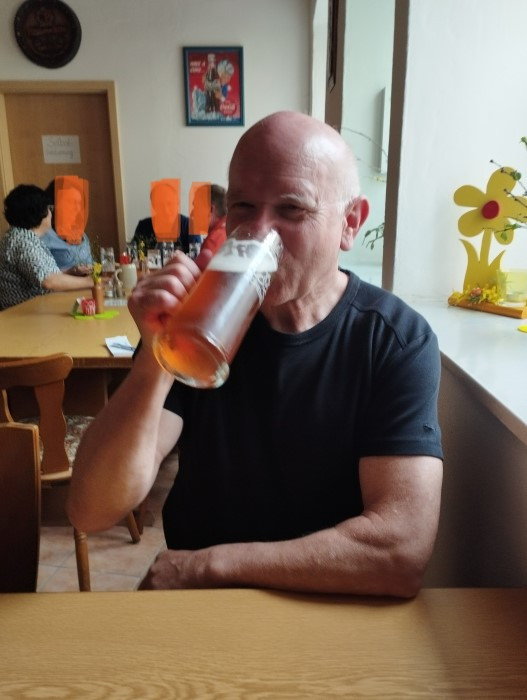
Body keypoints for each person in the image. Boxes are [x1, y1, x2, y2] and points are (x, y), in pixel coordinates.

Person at [68, 111, 443, 598]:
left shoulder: (393, 339)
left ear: (349, 223)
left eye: (292, 209)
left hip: (325, 602)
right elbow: (93, 508)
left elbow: (400, 551)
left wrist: (211, 565)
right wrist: (157, 358)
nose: (260, 232)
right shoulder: (196, 322)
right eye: (244, 206)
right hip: (206, 610)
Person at [0, 184, 94, 311]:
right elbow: (49, 281)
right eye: (49, 209)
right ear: (39, 212)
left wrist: (71, 271)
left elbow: (42, 273)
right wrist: (93, 281)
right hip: (23, 315)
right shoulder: (23, 242)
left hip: (33, 310)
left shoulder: (22, 237)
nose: (51, 213)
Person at [41, 177, 93, 273]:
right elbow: (42, 275)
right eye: (71, 202)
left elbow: (91, 267)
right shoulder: (43, 236)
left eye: (79, 203)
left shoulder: (82, 234)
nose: (77, 208)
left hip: (87, 282)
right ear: (54, 204)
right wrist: (71, 271)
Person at [132, 181, 190, 254]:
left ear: (177, 203)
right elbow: (139, 254)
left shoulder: (189, 225)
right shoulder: (143, 227)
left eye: (170, 204)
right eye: (160, 205)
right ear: (153, 206)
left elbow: (197, 257)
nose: (166, 210)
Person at [190, 183, 228, 262]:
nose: (192, 214)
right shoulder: (230, 231)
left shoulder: (213, 241)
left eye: (196, 207)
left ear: (210, 209)